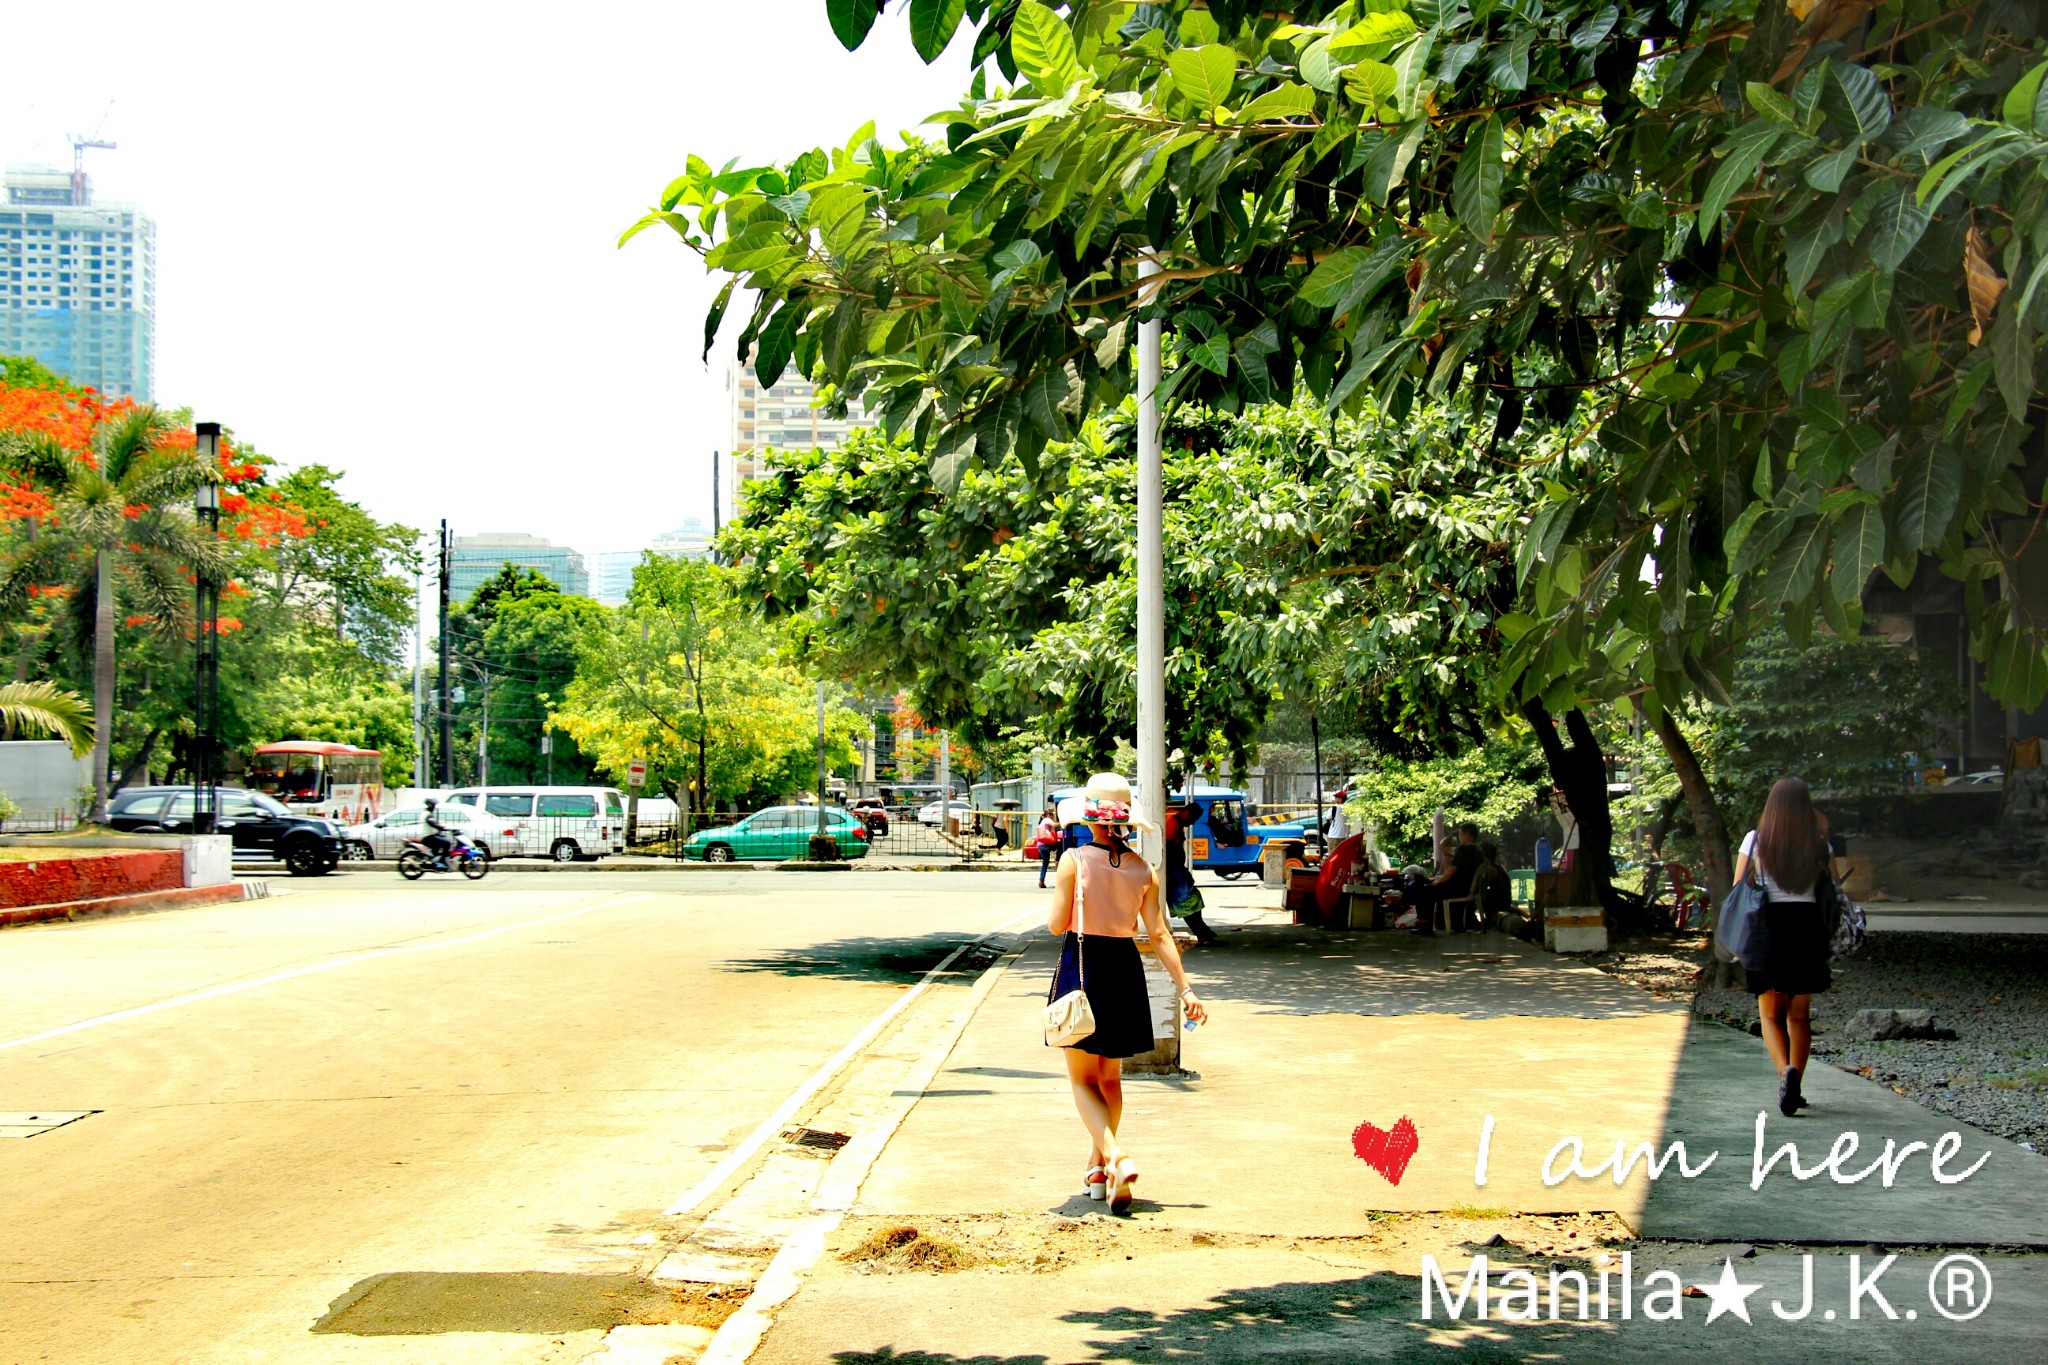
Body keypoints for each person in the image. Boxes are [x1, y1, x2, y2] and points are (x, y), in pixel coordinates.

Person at [1047, 773, 1207, 1213]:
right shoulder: (1144, 870)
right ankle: (1097, 1171)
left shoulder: (1073, 861)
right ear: (1125, 823)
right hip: (1125, 970)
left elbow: (1057, 925)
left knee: (1081, 1079)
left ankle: (1115, 1156)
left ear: (1088, 818)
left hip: (1084, 969)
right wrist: (1186, 988)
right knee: (1110, 1078)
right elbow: (1158, 933)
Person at [1732, 777, 1840, 1118]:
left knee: (1769, 1014)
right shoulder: (1820, 842)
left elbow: (1738, 889)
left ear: (1772, 806)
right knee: (1799, 1016)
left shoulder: (1755, 840)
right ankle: (1797, 1083)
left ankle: (1785, 1073)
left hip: (1768, 928)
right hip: (1809, 929)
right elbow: (1833, 891)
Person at [1404, 822, 1483, 934]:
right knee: (1426, 885)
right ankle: (1426, 883)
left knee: (1424, 891)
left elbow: (1451, 872)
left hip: (1457, 888)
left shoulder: (1463, 849)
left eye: (1460, 835)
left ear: (1466, 834)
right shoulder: (1478, 851)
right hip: (1467, 888)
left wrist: (1437, 882)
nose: (1459, 838)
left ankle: (1425, 925)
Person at [1162, 796, 1220, 945]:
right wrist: (1167, 873)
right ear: (1187, 813)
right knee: (1188, 903)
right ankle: (1201, 934)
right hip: (1173, 872)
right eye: (1193, 819)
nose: (1192, 823)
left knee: (1194, 900)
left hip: (1178, 870)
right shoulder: (1173, 822)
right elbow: (1166, 849)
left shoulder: (1178, 822)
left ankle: (1203, 931)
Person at [420, 798, 455, 870]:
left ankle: (435, 860)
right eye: (434, 805)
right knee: (447, 843)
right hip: (428, 836)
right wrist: (441, 828)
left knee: (442, 839)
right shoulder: (428, 814)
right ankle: (442, 861)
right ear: (430, 805)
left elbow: (435, 823)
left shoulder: (427, 813)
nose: (434, 807)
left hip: (429, 835)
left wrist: (442, 827)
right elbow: (433, 824)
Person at [1034, 804, 1062, 888]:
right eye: (1051, 814)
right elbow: (1054, 825)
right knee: (1060, 845)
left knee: (1045, 863)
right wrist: (1062, 823)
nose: (1052, 816)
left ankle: (1041, 880)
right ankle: (1057, 860)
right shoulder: (1046, 820)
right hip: (1046, 844)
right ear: (1047, 814)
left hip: (1042, 845)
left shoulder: (1043, 821)